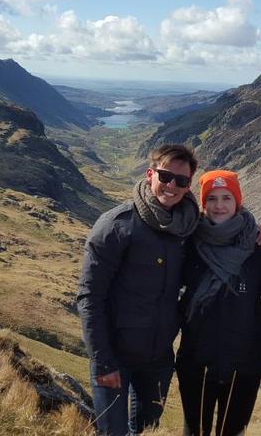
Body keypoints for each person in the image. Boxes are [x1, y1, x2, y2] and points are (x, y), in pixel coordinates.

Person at [77, 144, 200, 436]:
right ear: (150, 174)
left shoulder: (189, 226)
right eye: (166, 176)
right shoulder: (115, 226)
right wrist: (103, 361)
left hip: (158, 359)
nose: (172, 186)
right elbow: (89, 297)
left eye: (181, 181)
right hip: (114, 357)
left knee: (148, 431)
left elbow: (227, 226)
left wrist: (259, 230)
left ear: (188, 185)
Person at [175, 170, 261, 436]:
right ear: (203, 204)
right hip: (196, 363)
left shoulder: (258, 247)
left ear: (237, 202)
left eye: (227, 198)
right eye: (212, 199)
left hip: (245, 365)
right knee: (194, 432)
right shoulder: (189, 242)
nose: (219, 205)